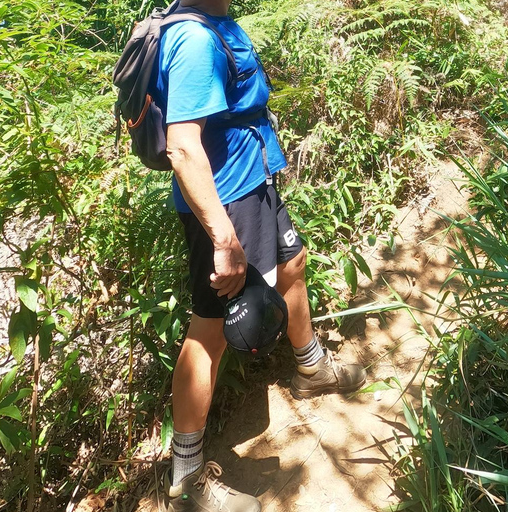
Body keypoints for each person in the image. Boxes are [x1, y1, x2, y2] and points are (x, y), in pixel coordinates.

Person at [154, 0, 367, 510]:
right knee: (210, 332)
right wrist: (224, 238)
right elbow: (182, 146)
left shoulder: (215, 22)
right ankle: (187, 482)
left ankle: (311, 370)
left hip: (254, 186)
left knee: (293, 265)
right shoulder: (195, 40)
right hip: (224, 207)